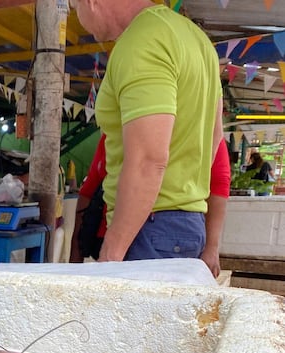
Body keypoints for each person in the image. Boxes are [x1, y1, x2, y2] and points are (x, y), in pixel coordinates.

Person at [70, 0, 224, 263]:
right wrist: (181, 188)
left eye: (75, 8)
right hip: (185, 223)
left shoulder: (141, 41)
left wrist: (113, 249)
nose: (79, 18)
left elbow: (148, 160)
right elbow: (215, 136)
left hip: (148, 228)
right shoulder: (197, 39)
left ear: (91, 2)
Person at [70, 134, 231, 277]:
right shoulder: (113, 134)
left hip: (160, 231)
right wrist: (76, 253)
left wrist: (212, 246)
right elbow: (89, 189)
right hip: (108, 234)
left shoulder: (197, 132)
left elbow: (219, 185)